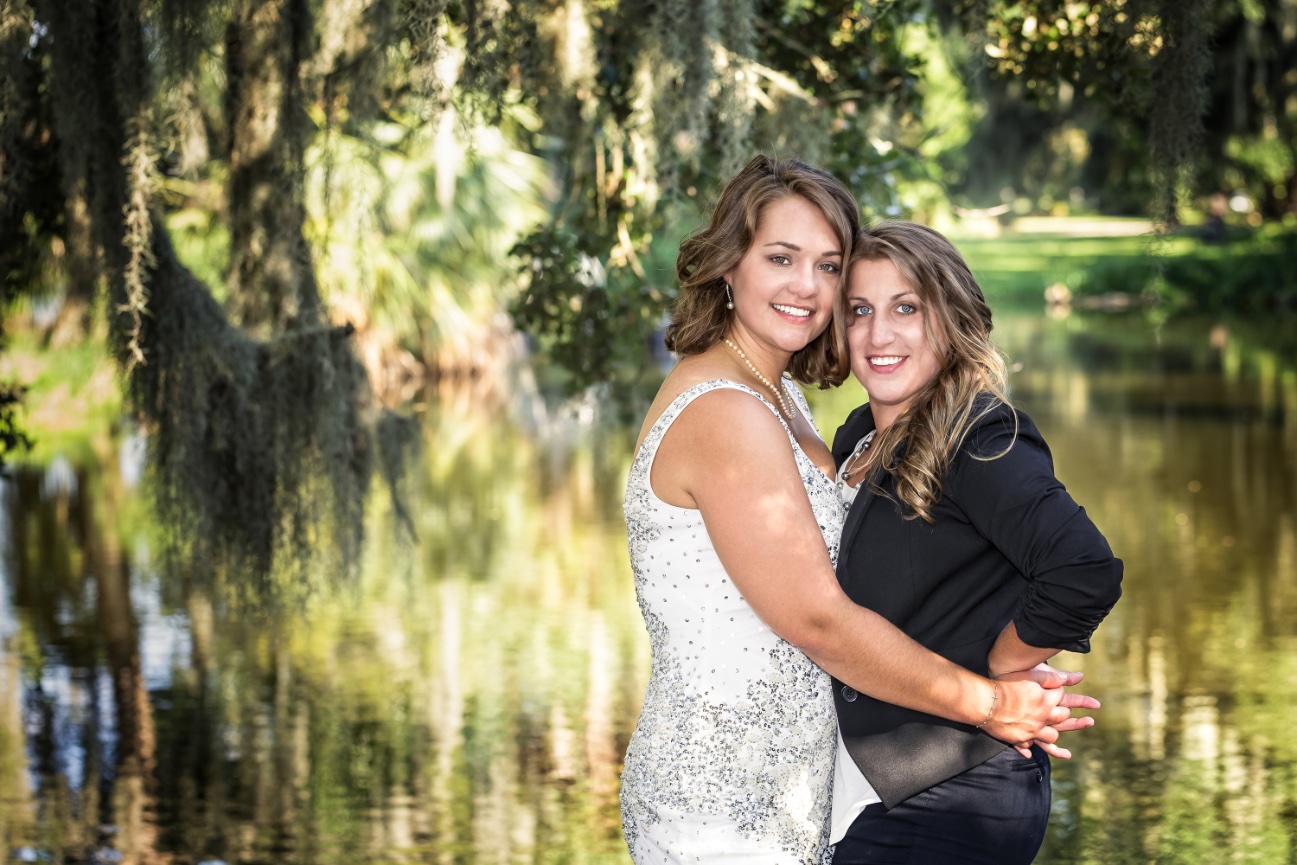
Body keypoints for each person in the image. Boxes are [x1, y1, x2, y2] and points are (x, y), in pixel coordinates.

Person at [620, 157, 1096, 865]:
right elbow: (818, 619)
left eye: (827, 266)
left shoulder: (777, 396)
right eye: (781, 258)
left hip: (799, 787)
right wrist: (990, 701)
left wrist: (1002, 652)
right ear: (728, 266)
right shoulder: (727, 411)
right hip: (728, 790)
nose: (806, 287)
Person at [828, 221, 1124, 865]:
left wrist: (1001, 665)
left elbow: (1083, 569)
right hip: (877, 784)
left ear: (952, 318)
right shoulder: (857, 437)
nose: (879, 335)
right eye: (860, 310)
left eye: (906, 308)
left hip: (957, 791)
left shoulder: (981, 437)